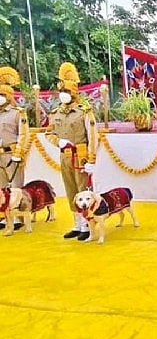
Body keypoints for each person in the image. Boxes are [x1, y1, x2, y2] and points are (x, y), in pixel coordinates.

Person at [45, 62, 96, 240]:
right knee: (70, 190)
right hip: (64, 156)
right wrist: (58, 142)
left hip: (81, 156)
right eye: (61, 91)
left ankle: (87, 225)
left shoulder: (84, 112)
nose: (63, 94)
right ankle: (77, 224)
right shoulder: (56, 113)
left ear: (74, 92)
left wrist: (92, 159)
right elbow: (48, 133)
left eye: (66, 91)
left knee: (84, 191)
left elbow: (92, 136)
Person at [0, 66, 28, 231]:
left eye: (2, 94)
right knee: (1, 187)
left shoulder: (17, 113)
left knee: (16, 186)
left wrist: (18, 153)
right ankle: (5, 216)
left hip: (12, 154)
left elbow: (23, 134)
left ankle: (18, 216)